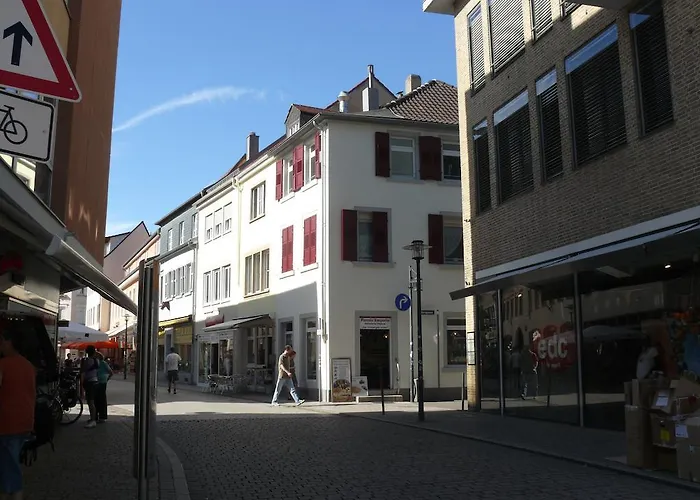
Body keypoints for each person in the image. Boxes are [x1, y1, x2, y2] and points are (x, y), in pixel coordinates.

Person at [0, 317, 36, 500]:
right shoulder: (28, 365)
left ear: (10, 342)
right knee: (10, 463)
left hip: (7, 422)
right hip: (24, 421)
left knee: (9, 466)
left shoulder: (4, 364)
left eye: (2, 340)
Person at [80, 346, 100, 428]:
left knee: (90, 402)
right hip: (95, 381)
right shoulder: (97, 360)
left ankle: (93, 420)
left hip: (89, 382)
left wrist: (81, 386)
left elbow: (82, 373)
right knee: (92, 402)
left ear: (87, 352)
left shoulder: (86, 361)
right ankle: (93, 418)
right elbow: (101, 357)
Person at [95, 352, 113, 423]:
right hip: (98, 382)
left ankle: (102, 416)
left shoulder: (103, 363)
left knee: (101, 399)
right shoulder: (96, 363)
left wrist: (106, 379)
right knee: (97, 399)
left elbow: (111, 372)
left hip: (101, 382)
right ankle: (97, 416)